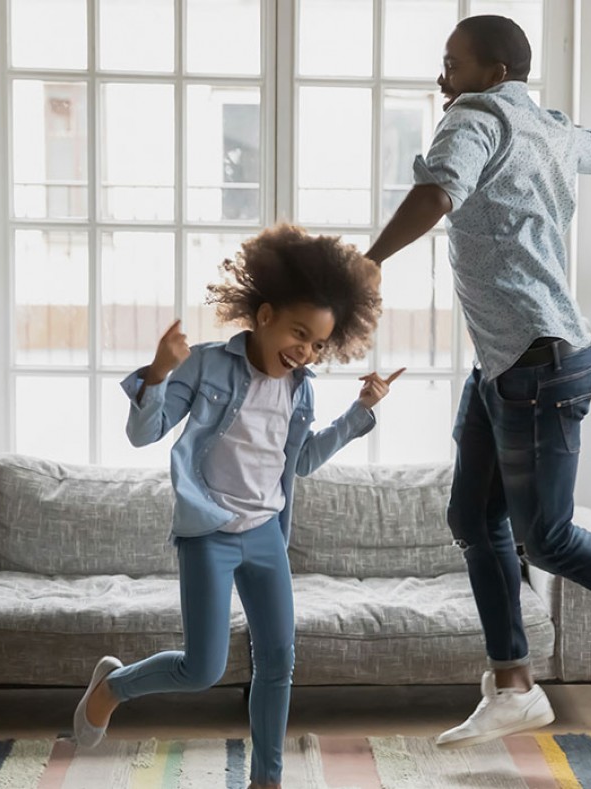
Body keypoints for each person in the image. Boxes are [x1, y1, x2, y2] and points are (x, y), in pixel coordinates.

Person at [364, 14, 591, 748]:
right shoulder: (547, 124)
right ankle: (515, 685)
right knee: (472, 517)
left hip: (538, 362)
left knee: (547, 538)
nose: (442, 77)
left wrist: (369, 262)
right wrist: (585, 139)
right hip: (508, 360)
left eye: (452, 63)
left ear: (493, 73)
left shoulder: (476, 115)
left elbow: (439, 191)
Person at [72, 225, 402, 789]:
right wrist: (157, 372)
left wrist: (360, 411)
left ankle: (265, 780)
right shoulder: (205, 366)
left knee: (278, 662)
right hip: (210, 533)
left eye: (319, 344)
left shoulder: (301, 388)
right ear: (265, 314)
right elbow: (142, 434)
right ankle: (113, 686)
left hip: (267, 533)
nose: (306, 351)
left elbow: (299, 461)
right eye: (300, 333)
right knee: (202, 670)